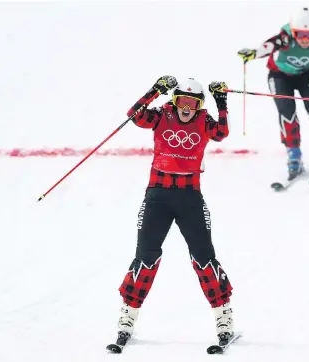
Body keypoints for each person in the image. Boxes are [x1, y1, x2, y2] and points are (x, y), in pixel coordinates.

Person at [111, 75, 235, 348]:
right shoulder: (162, 115)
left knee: (203, 258)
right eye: (182, 101)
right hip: (158, 196)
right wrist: (155, 90)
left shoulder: (204, 121)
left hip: (190, 198)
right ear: (175, 101)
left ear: (200, 105)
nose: (187, 107)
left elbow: (221, 133)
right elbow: (134, 115)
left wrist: (222, 101)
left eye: (193, 102)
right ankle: (127, 317)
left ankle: (223, 317)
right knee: (145, 257)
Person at [238, 7, 309, 179]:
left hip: (307, 76)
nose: (305, 39)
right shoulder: (285, 38)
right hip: (280, 76)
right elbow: (269, 45)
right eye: (300, 35)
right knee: (287, 113)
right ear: (293, 32)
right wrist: (254, 53)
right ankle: (294, 156)